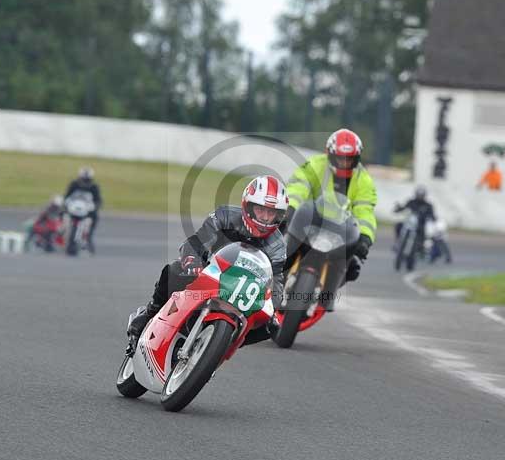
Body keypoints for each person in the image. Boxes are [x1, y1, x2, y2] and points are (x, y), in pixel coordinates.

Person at [127, 175, 289, 346]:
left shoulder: (278, 247)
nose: (264, 217)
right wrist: (192, 261)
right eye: (260, 210)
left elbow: (276, 282)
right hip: (209, 273)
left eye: (271, 213)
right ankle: (150, 313)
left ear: (278, 216)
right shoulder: (224, 216)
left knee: (271, 326)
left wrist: (272, 307)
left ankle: (222, 346)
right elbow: (196, 242)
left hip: (242, 292)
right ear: (248, 207)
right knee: (175, 270)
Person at [285, 128, 377, 290]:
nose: (345, 163)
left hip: (340, 231)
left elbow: (365, 211)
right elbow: (299, 186)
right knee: (282, 247)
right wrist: (290, 208)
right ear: (330, 154)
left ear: (357, 158)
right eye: (340, 158)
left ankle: (327, 295)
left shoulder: (364, 180)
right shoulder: (315, 164)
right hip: (310, 221)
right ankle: (274, 281)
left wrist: (365, 237)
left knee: (353, 266)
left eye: (350, 159)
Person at [64, 167, 102, 253]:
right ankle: (60, 233)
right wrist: (66, 204)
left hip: (87, 211)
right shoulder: (74, 184)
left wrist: (94, 207)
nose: (85, 182)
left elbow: (98, 201)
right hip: (73, 209)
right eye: (83, 179)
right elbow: (66, 196)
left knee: (94, 217)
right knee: (61, 214)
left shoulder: (94, 187)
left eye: (87, 180)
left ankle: (88, 238)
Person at [394, 185, 437, 250]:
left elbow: (432, 215)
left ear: (424, 195)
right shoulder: (411, 202)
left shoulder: (428, 205)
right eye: (418, 195)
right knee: (399, 225)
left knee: (426, 233)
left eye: (421, 195)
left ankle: (421, 246)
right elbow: (404, 207)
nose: (420, 197)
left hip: (421, 225)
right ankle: (398, 242)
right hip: (410, 223)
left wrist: (432, 218)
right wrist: (398, 209)